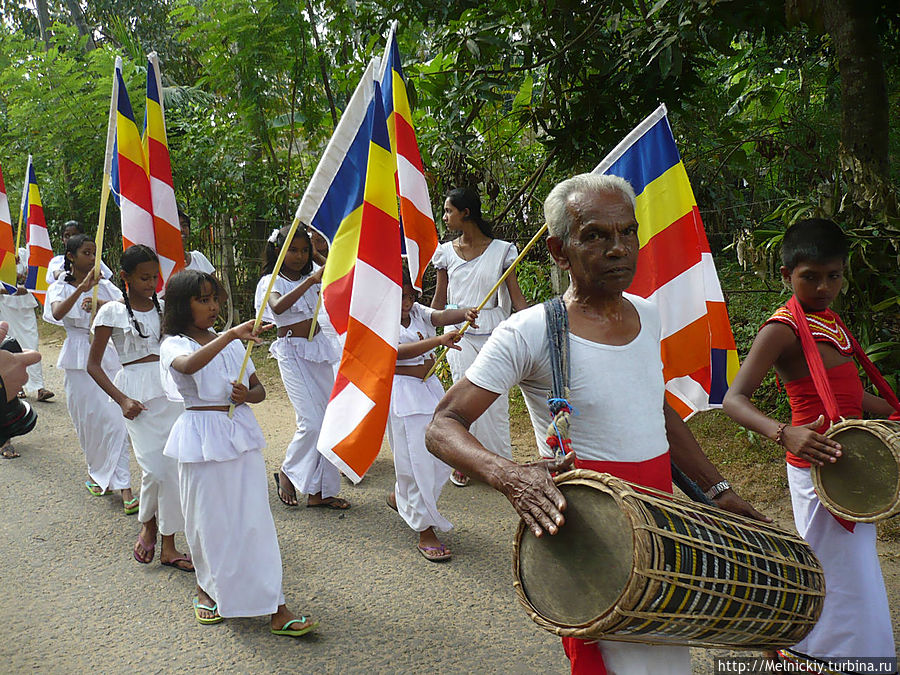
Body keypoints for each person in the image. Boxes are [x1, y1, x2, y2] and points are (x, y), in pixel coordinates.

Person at [426, 173, 766, 674]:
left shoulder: (647, 315)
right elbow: (442, 425)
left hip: (664, 522)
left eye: (627, 233)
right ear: (559, 252)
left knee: (667, 653)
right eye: (595, 236)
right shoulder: (531, 330)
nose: (618, 248)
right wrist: (509, 475)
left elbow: (656, 409)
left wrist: (717, 490)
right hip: (590, 528)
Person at [722, 219, 897, 670]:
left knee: (853, 570)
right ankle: (823, 655)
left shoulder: (829, 321)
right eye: (810, 277)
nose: (823, 286)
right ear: (786, 276)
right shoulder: (781, 329)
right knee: (840, 571)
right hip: (815, 468)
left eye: (833, 276)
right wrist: (785, 431)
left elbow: (849, 395)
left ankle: (828, 653)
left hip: (850, 464)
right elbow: (732, 400)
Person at [159, 269, 316, 635]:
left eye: (215, 299)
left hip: (239, 435)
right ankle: (206, 589)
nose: (213, 307)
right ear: (183, 305)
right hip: (200, 436)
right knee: (207, 521)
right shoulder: (175, 343)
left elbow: (258, 390)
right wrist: (230, 334)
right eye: (203, 299)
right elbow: (188, 366)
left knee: (253, 519)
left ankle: (276, 606)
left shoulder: (231, 343)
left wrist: (247, 395)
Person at [88, 245, 192, 572]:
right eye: (143, 277)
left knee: (174, 468)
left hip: (171, 393)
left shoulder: (166, 308)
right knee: (155, 469)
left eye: (154, 277)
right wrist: (121, 399)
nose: (150, 283)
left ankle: (169, 544)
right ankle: (148, 523)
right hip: (137, 398)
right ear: (125, 277)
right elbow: (93, 365)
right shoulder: (111, 313)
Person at [430, 187, 529, 486]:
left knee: (493, 402)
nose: (445, 217)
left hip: (494, 335)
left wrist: (535, 325)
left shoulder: (503, 250)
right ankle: (466, 462)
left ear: (466, 213)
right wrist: (424, 324)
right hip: (459, 335)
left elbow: (516, 299)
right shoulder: (444, 253)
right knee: (463, 400)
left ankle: (497, 461)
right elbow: (439, 303)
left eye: (449, 211)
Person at [385, 267, 478, 561]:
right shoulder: (380, 320)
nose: (406, 303)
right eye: (400, 296)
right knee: (416, 460)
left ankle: (403, 497)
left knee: (439, 455)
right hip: (403, 395)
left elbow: (437, 317)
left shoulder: (416, 311)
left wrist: (464, 313)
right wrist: (438, 341)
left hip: (430, 391)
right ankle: (425, 528)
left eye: (410, 295)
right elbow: (396, 351)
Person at [44, 234, 136, 513]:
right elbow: (58, 314)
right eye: (86, 252)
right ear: (70, 257)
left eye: (94, 253)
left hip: (105, 355)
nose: (92, 258)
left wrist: (99, 306)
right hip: (77, 359)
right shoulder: (58, 288)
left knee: (115, 420)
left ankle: (125, 486)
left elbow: (126, 310)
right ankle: (98, 473)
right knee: (90, 423)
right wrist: (82, 289)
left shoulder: (106, 287)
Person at [260, 226, 348, 510]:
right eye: (292, 250)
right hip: (292, 351)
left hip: (319, 350)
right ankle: (288, 471)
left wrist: (318, 256)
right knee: (311, 421)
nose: (299, 256)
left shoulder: (314, 274)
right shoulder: (271, 281)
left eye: (304, 250)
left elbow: (338, 263)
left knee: (328, 420)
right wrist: (310, 281)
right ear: (278, 251)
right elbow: (279, 308)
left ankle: (319, 491)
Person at [0, 250, 53, 405]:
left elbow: (33, 279)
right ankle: (18, 386)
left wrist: (20, 275)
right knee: (12, 346)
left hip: (25, 305)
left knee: (32, 343)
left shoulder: (23, 252)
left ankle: (39, 387)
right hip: (5, 306)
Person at [45, 220, 112, 283]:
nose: (71, 238)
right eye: (67, 236)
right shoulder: (57, 261)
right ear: (62, 239)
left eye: (75, 235)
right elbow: (57, 275)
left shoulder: (94, 260)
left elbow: (104, 277)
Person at [178, 210, 215, 274]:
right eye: (176, 225)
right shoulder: (162, 265)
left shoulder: (197, 258)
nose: (181, 229)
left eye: (184, 225)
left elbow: (215, 282)